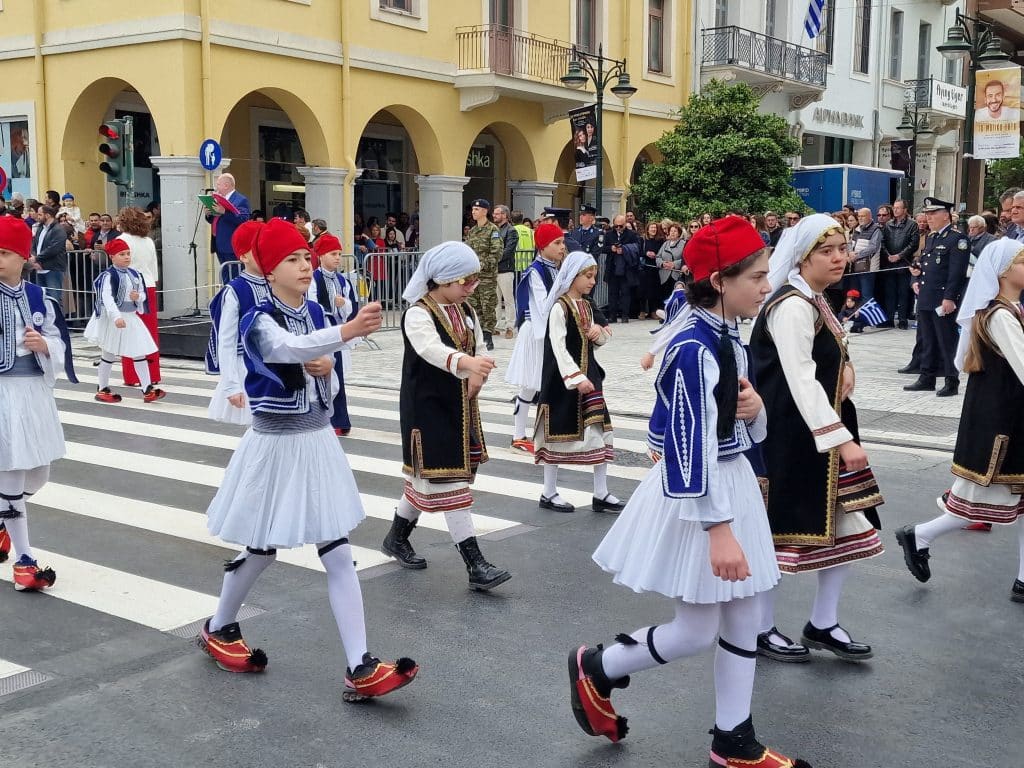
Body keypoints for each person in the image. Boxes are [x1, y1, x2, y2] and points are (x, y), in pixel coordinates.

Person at [575, 218, 811, 768]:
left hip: (728, 483)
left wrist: (755, 415)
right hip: (703, 496)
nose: (766, 286)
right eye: (756, 276)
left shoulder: (728, 335)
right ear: (720, 280)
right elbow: (686, 448)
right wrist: (718, 528)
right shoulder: (692, 347)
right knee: (697, 628)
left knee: (744, 617)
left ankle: (734, 739)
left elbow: (732, 429)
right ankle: (599, 666)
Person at [200, 218, 419, 701]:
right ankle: (219, 626)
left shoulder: (316, 310)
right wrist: (341, 335)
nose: (304, 265)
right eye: (291, 259)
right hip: (274, 443)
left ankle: (360, 665)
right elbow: (280, 348)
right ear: (268, 268)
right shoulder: (258, 311)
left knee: (338, 550)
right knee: (260, 548)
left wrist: (326, 369)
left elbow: (329, 386)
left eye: (305, 256)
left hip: (317, 441)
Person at [750, 214, 884, 664]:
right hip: (792, 436)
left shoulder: (815, 300)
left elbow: (826, 356)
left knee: (848, 525)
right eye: (827, 252)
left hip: (820, 431)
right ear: (804, 258)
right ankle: (760, 627)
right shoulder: (791, 305)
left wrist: (846, 368)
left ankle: (823, 622)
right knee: (779, 531)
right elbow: (801, 378)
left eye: (843, 250)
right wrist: (841, 441)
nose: (839, 258)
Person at [895, 239, 1024, 601]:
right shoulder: (998, 314)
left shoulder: (1011, 309)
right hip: (1000, 425)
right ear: (1002, 271)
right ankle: (919, 535)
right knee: (976, 501)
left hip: (1012, 418)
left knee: (1014, 499)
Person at [380, 241, 512, 591]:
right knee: (449, 482)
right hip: (427, 406)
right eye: (465, 282)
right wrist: (466, 365)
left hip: (459, 405)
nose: (470, 287)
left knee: (426, 480)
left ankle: (396, 538)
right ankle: (475, 564)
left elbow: (480, 346)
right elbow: (430, 349)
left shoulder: (465, 310)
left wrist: (479, 373)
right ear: (442, 279)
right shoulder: (417, 313)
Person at [0, 216, 77, 591]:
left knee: (39, 473)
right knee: (11, 474)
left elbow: (58, 339)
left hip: (34, 392)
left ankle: (3, 519)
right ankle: (24, 560)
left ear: (23, 257)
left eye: (5, 253)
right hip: (2, 393)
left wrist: (46, 346)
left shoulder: (37, 297)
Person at [532, 251, 622, 514]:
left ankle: (601, 492)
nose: (593, 281)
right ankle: (548, 492)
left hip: (590, 377)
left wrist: (599, 334)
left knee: (601, 430)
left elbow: (600, 339)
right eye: (588, 276)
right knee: (555, 432)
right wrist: (574, 377)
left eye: (593, 276)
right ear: (572, 276)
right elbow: (558, 347)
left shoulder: (588, 305)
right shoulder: (559, 307)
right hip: (562, 381)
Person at [506, 223, 566, 453]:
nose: (562, 247)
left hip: (546, 330)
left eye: (562, 242)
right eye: (557, 243)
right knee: (531, 385)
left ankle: (543, 432)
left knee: (545, 384)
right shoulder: (535, 271)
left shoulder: (553, 268)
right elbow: (542, 306)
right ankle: (518, 435)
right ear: (542, 247)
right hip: (536, 332)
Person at [84, 239, 165, 404]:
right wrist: (116, 316)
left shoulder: (135, 274)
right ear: (112, 256)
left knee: (139, 352)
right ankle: (102, 387)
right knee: (108, 353)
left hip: (131, 317)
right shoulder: (108, 276)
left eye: (128, 254)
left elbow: (141, 294)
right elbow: (106, 298)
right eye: (122, 254)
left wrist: (139, 297)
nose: (127, 257)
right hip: (114, 318)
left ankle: (147, 388)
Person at [904, 198, 971, 397]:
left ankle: (951, 380)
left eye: (933, 214)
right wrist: (915, 278)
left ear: (946, 215)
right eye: (927, 214)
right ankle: (927, 377)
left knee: (946, 340)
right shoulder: (933, 238)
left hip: (942, 298)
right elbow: (925, 265)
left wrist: (950, 297)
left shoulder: (957, 239)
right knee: (927, 339)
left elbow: (956, 272)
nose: (929, 218)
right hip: (926, 295)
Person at [205, 221, 269, 425]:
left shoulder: (277, 282)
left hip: (278, 362)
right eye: (256, 249)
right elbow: (226, 340)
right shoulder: (235, 290)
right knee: (259, 425)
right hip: (248, 365)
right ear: (243, 256)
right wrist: (231, 385)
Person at [308, 234, 358, 436]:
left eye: (339, 253)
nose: (338, 257)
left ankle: (339, 420)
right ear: (320, 255)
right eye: (333, 253)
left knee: (337, 375)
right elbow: (310, 303)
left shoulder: (342, 280)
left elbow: (352, 305)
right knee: (322, 375)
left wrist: (343, 304)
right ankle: (322, 417)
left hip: (337, 333)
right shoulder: (313, 278)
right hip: (321, 331)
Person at [116, 207, 162, 388]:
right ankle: (153, 373)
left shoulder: (121, 240)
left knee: (130, 332)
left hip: (129, 287)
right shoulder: (148, 241)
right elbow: (154, 269)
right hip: (148, 285)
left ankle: (133, 375)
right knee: (150, 331)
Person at [464, 199, 502, 351]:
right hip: (473, 277)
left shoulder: (493, 230)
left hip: (486, 276)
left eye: (477, 209)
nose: (474, 212)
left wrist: (482, 265)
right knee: (474, 305)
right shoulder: (472, 232)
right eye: (473, 209)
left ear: (485, 211)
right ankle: (477, 334)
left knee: (488, 306)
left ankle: (488, 336)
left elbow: (496, 253)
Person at [879, 200, 918, 330]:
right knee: (890, 293)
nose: (895, 210)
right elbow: (882, 242)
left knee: (903, 293)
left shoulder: (912, 225)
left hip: (904, 263)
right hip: (889, 264)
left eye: (898, 208)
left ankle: (902, 319)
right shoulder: (888, 224)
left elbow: (913, 244)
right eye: (894, 208)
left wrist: (899, 256)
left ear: (905, 210)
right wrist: (888, 255)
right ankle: (889, 318)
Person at [205, 173, 252, 264]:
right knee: (225, 275)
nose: (216, 187)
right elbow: (215, 220)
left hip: (231, 246)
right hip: (219, 244)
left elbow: (244, 219)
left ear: (226, 185)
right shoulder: (219, 199)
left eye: (218, 184)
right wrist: (208, 214)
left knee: (232, 275)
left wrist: (224, 212)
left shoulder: (240, 200)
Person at [601, 214, 640, 323]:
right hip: (612, 267)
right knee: (612, 292)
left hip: (626, 267)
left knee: (625, 292)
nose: (618, 228)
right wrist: (611, 248)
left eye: (621, 226)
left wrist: (624, 250)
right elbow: (603, 248)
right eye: (616, 226)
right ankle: (612, 315)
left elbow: (637, 248)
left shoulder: (632, 234)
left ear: (625, 225)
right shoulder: (608, 235)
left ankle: (625, 315)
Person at [29, 205, 68, 303]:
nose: (37, 216)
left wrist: (37, 259)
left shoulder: (58, 229)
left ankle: (57, 318)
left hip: (53, 268)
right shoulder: (40, 228)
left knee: (54, 299)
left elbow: (54, 249)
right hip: (39, 268)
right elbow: (34, 245)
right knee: (42, 299)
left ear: (47, 215)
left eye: (40, 214)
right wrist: (34, 258)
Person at [493, 204, 519, 340]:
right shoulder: (495, 229)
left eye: (497, 213)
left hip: (505, 269)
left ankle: (510, 327)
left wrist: (494, 259)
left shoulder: (511, 231)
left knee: (508, 300)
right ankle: (496, 326)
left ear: (504, 215)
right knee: (495, 300)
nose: (494, 216)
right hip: (495, 270)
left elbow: (509, 250)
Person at [638, 221, 665, 320]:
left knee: (654, 291)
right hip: (644, 267)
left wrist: (656, 255)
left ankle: (653, 311)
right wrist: (646, 253)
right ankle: (642, 311)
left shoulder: (661, 240)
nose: (653, 229)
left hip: (655, 268)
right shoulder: (642, 239)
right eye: (651, 228)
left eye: (655, 228)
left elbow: (662, 253)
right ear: (647, 229)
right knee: (643, 290)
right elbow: (639, 251)